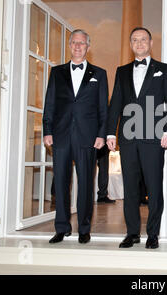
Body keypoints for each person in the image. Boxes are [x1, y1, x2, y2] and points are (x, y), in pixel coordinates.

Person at [106, 27, 167, 249]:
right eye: (135, 40)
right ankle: (132, 233)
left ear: (151, 42)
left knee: (154, 187)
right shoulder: (122, 70)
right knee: (130, 189)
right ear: (130, 44)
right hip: (128, 138)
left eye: (143, 39)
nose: (139, 43)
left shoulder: (163, 69)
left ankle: (153, 234)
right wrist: (110, 132)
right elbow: (115, 102)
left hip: (155, 137)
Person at [43, 29, 108, 244]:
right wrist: (47, 130)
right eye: (74, 43)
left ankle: (84, 228)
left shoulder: (99, 74)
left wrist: (100, 134)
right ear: (69, 46)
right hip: (60, 135)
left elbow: (103, 109)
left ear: (88, 47)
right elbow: (50, 104)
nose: (78, 46)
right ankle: (61, 228)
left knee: (87, 184)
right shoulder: (57, 72)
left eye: (82, 43)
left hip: (87, 137)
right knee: (61, 182)